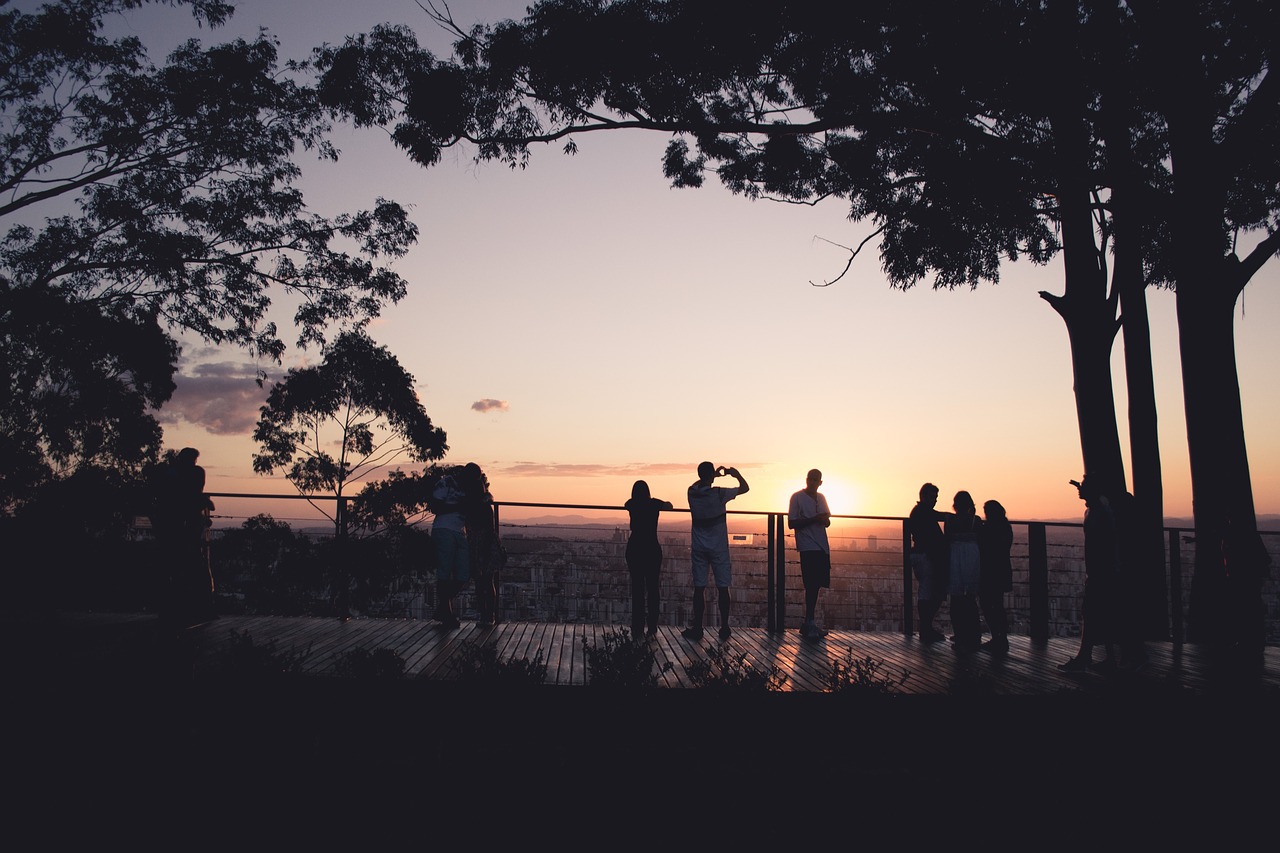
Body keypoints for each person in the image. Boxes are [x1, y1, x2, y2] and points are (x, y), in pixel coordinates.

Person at [1059, 473, 1120, 673]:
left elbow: (1105, 542)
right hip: (1101, 570)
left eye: (1083, 486)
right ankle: (1107, 658)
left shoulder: (1099, 512)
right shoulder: (1096, 509)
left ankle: (1085, 657)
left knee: (1092, 613)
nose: (1079, 489)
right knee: (1102, 613)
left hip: (1101, 571)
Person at [150, 447, 216, 630]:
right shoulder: (194, 473)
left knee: (173, 565)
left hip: (171, 525)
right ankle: (194, 607)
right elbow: (194, 492)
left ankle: (174, 609)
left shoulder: (169, 474)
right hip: (185, 525)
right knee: (191, 562)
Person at [683, 461, 749, 641]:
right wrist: (734, 474)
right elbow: (745, 488)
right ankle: (725, 627)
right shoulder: (719, 493)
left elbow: (698, 483)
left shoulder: (692, 492)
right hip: (718, 547)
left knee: (699, 588)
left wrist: (711, 476)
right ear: (711, 475)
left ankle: (698, 627)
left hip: (698, 546)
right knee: (722, 587)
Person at [624, 480, 674, 638]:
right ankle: (652, 625)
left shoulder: (631, 504)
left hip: (635, 548)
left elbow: (626, 503)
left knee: (637, 589)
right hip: (652, 548)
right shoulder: (654, 504)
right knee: (653, 589)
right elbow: (669, 505)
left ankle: (637, 626)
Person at [788, 468, 832, 643]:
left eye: (816, 480)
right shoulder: (797, 497)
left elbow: (827, 521)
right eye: (811, 479)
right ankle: (809, 622)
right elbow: (791, 523)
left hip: (822, 547)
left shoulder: (821, 498)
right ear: (807, 480)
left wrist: (820, 519)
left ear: (820, 482)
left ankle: (810, 622)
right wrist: (815, 518)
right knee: (811, 585)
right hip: (807, 546)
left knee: (816, 586)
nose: (813, 482)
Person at [907, 483, 952, 643]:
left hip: (926, 555)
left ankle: (926, 628)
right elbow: (936, 517)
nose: (935, 500)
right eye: (933, 497)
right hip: (927, 556)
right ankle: (926, 628)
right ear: (924, 496)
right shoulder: (923, 512)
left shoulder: (921, 511)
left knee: (930, 592)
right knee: (930, 592)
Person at [462, 463, 504, 626]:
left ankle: (485, 615)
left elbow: (485, 529)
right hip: (484, 544)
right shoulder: (485, 504)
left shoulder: (471, 504)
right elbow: (490, 529)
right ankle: (488, 615)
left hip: (479, 544)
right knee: (487, 581)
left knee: (481, 581)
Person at [429, 467, 469, 629]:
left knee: (463, 573)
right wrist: (459, 506)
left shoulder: (469, 487)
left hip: (459, 532)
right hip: (444, 529)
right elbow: (435, 507)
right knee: (444, 574)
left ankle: (442, 608)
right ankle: (447, 614)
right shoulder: (446, 483)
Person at [946, 490, 984, 651]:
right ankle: (974, 635)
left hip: (955, 558)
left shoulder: (951, 520)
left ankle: (960, 635)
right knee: (970, 599)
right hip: (973, 558)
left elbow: (946, 539)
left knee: (956, 600)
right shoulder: (976, 521)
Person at [978, 499, 1013, 652]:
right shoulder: (1005, 526)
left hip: (990, 572)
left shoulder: (989, 528)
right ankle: (1000, 638)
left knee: (988, 605)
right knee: (997, 605)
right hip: (1001, 570)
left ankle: (997, 638)